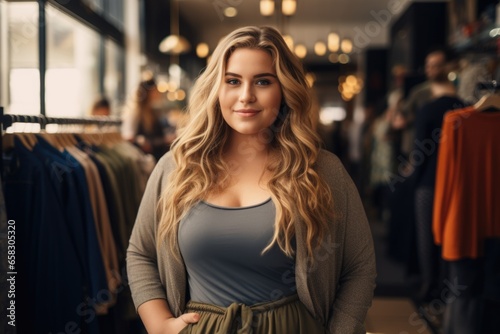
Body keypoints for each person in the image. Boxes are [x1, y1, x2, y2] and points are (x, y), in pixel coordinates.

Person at [126, 26, 376, 334]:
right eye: (232, 81)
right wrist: (159, 324)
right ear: (216, 88)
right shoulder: (175, 169)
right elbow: (141, 253)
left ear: (284, 89)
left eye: (263, 81)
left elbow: (360, 267)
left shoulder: (321, 171)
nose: (246, 96)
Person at [122, 78, 176, 161]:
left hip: (155, 158)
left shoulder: (153, 112)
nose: (158, 94)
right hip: (143, 160)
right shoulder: (136, 114)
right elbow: (129, 137)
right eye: (155, 91)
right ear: (148, 93)